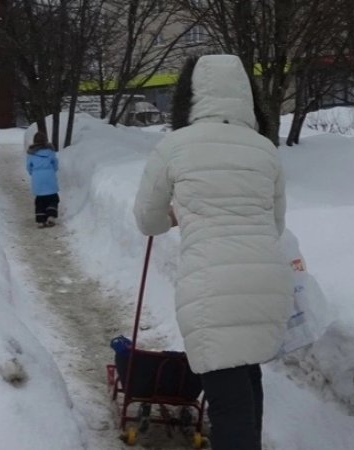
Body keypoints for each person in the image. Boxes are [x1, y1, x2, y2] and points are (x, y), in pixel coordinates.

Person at [133, 55, 291, 450]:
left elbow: (147, 221)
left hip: (211, 285)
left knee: (229, 404)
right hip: (266, 280)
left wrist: (175, 215)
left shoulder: (175, 145)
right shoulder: (264, 149)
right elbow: (275, 225)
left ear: (190, 95)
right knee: (247, 386)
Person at [26, 131, 59, 228]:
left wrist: (33, 173)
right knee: (53, 197)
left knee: (40, 199)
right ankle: (51, 215)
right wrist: (52, 171)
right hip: (49, 176)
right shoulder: (50, 152)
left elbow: (29, 167)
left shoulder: (31, 154)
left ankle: (40, 220)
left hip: (37, 177)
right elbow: (55, 164)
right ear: (45, 140)